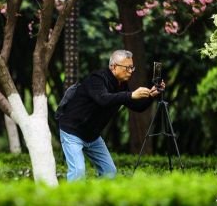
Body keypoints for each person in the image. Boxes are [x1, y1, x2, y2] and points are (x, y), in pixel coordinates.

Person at [58, 50, 164, 181]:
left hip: (92, 136)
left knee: (109, 172)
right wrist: (130, 95)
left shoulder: (121, 85)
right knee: (78, 172)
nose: (131, 71)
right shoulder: (97, 78)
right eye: (128, 67)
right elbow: (103, 99)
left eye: (132, 67)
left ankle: (96, 199)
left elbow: (138, 107)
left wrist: (151, 96)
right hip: (72, 132)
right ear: (114, 67)